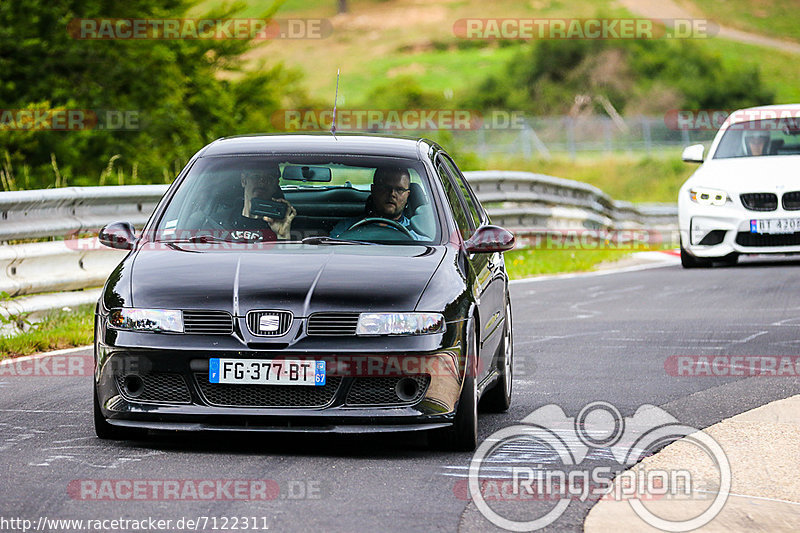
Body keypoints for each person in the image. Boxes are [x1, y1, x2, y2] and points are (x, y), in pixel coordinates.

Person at [329, 166, 425, 240]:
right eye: (385, 188)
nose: (392, 194)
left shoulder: (417, 233)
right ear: (373, 190)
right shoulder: (345, 228)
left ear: (407, 195)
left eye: (399, 190)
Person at [230, 163, 296, 240]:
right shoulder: (222, 220)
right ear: (243, 180)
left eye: (269, 178)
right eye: (256, 177)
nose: (262, 183)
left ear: (276, 185)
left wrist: (282, 235)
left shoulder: (285, 223)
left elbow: (288, 250)